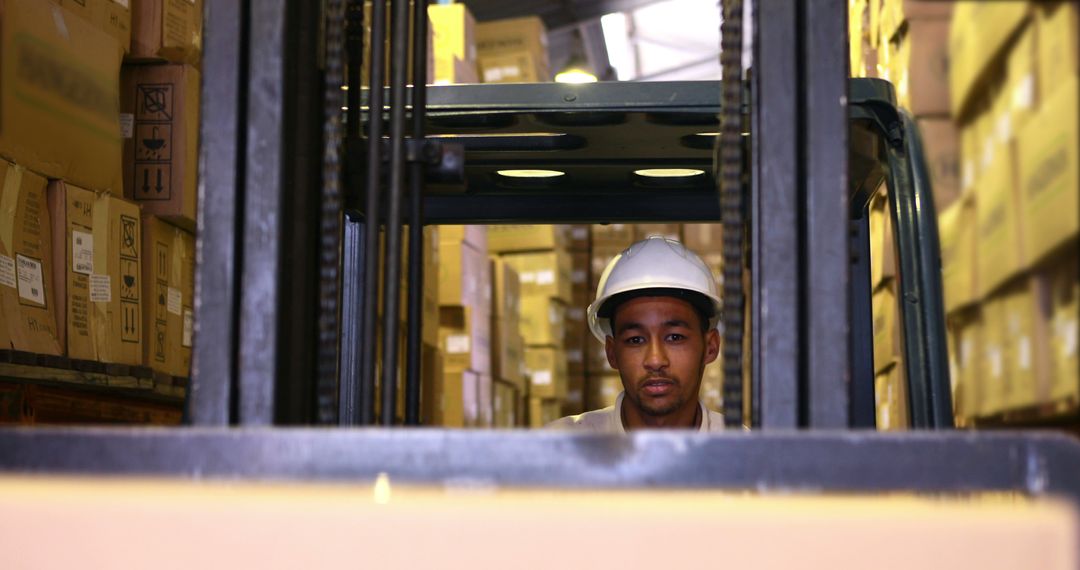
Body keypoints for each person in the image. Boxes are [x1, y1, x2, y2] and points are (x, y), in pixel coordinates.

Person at [549, 236, 725, 432]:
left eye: (675, 337)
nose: (655, 360)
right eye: (635, 340)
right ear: (612, 353)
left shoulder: (746, 454)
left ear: (711, 346)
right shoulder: (559, 448)